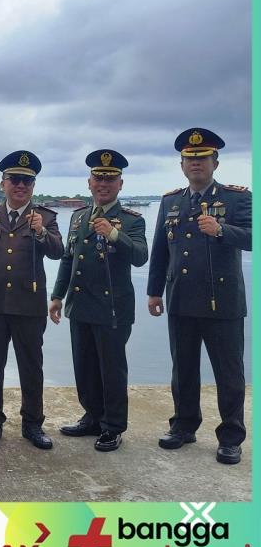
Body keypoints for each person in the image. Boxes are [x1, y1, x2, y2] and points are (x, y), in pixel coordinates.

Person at [147, 128, 251, 465]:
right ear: (181, 165)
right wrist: (153, 292)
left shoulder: (236, 198)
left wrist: (222, 230)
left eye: (202, 158)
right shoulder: (171, 201)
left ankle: (231, 437)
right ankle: (183, 426)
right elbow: (160, 250)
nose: (196, 163)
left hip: (223, 302)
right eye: (190, 159)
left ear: (215, 163)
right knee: (184, 370)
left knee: (229, 374)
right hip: (181, 299)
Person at [49, 150, 148, 452]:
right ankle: (92, 417)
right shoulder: (78, 217)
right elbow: (68, 259)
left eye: (110, 179)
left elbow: (141, 256)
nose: (103, 184)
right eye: (98, 178)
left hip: (112, 309)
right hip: (80, 305)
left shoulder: (131, 220)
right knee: (85, 367)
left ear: (120, 184)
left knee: (111, 370)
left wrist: (115, 234)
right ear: (89, 183)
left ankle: (113, 426)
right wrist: (57, 295)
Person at [0, 151, 63, 450]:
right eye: (15, 179)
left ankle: (33, 424)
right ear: (4, 183)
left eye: (27, 181)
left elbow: (58, 252)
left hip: (29, 305)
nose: (21, 185)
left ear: (33, 185)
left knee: (31, 367)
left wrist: (41, 231)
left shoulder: (46, 217)